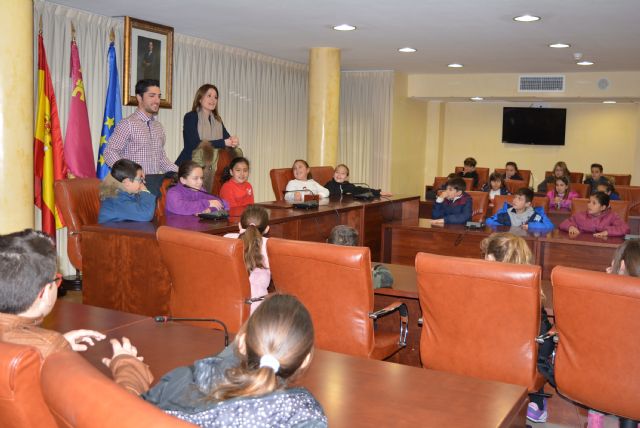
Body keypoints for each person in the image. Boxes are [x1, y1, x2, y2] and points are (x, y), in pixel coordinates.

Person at [0, 229, 152, 394]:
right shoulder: (49, 347)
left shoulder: (43, 346)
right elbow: (119, 413)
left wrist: (55, 343)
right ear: (43, 293)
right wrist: (128, 365)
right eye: (56, 280)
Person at [141, 294, 328, 427]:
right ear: (305, 360)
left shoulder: (181, 383)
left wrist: (127, 374)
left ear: (241, 344)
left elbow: (130, 413)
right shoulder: (304, 417)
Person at [480, 232, 554, 424]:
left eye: (486, 257)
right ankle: (534, 399)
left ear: (492, 259)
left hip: (484, 362)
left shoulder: (479, 289)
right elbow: (544, 346)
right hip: (517, 364)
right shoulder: (533, 295)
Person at [587, 240, 640, 428]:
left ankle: (595, 420)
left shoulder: (606, 299)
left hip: (606, 379)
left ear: (623, 265)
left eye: (613, 263)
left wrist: (605, 287)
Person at [104, 79, 176, 197]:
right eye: (152, 96)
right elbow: (109, 152)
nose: (157, 100)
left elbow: (162, 159)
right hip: (131, 191)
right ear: (139, 97)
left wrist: (184, 173)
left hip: (153, 187)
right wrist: (129, 174)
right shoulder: (127, 124)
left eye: (159, 96)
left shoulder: (159, 127)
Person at [175, 84, 240, 170]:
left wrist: (233, 141)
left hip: (211, 167)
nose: (213, 100)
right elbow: (195, 143)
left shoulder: (217, 120)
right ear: (200, 99)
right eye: (209, 96)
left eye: (215, 97)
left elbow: (227, 139)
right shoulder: (190, 117)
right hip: (189, 166)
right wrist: (223, 142)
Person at [224, 206, 270, 313]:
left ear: (239, 225)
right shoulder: (269, 245)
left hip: (227, 305)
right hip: (259, 310)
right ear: (267, 229)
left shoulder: (227, 238)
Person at [327, 225, 393, 289]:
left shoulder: (319, 270)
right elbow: (387, 278)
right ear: (355, 249)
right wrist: (377, 267)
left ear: (327, 243)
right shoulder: (359, 275)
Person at [98, 159, 156, 223]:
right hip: (110, 232)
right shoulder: (116, 199)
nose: (143, 182)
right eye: (140, 179)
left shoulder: (125, 193)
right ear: (127, 182)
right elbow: (146, 214)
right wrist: (145, 191)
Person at [559, 192, 630, 238]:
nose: (589, 205)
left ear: (603, 207)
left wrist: (607, 232)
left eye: (594, 203)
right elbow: (564, 223)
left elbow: (625, 228)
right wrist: (571, 227)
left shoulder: (612, 216)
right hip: (583, 246)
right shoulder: (580, 215)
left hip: (603, 248)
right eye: (589, 202)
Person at [486, 188, 554, 231]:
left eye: (520, 199)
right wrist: (506, 225)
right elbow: (489, 221)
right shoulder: (505, 211)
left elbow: (550, 226)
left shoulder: (536, 214)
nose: (515, 200)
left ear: (527, 204)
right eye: (515, 197)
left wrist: (530, 226)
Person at [324, 164, 391, 198]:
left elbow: (362, 190)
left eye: (343, 173)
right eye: (337, 172)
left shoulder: (349, 186)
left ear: (347, 177)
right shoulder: (329, 185)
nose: (339, 175)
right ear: (333, 174)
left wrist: (379, 192)